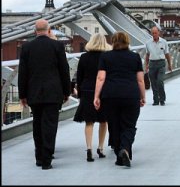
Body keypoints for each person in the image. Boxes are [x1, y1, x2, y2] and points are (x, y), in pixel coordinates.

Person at [18, 19, 71, 170]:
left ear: (35, 31)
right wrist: (66, 91)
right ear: (49, 31)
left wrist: (22, 95)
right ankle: (47, 160)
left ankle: (39, 157)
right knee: (50, 126)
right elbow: (64, 70)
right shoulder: (57, 46)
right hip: (53, 93)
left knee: (37, 125)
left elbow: (23, 73)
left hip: (33, 93)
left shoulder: (26, 47)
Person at [93, 31, 146, 168]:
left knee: (114, 126)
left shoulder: (106, 57)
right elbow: (140, 80)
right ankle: (125, 149)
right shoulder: (135, 57)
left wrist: (96, 96)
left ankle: (119, 155)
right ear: (127, 41)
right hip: (130, 95)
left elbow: (100, 78)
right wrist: (143, 96)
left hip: (110, 96)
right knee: (129, 126)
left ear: (113, 41)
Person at [73, 33, 112, 162]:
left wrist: (79, 94)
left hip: (87, 90)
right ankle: (100, 149)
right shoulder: (107, 57)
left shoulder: (84, 57)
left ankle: (89, 148)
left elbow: (79, 77)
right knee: (103, 120)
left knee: (89, 121)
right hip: (103, 90)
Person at [145, 26, 172, 106]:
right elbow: (147, 55)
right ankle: (156, 100)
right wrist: (146, 65)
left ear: (158, 33)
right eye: (152, 33)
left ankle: (162, 99)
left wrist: (170, 64)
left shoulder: (164, 42)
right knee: (153, 83)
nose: (154, 34)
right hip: (152, 63)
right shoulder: (148, 43)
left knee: (160, 82)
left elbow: (167, 54)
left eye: (155, 33)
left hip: (161, 63)